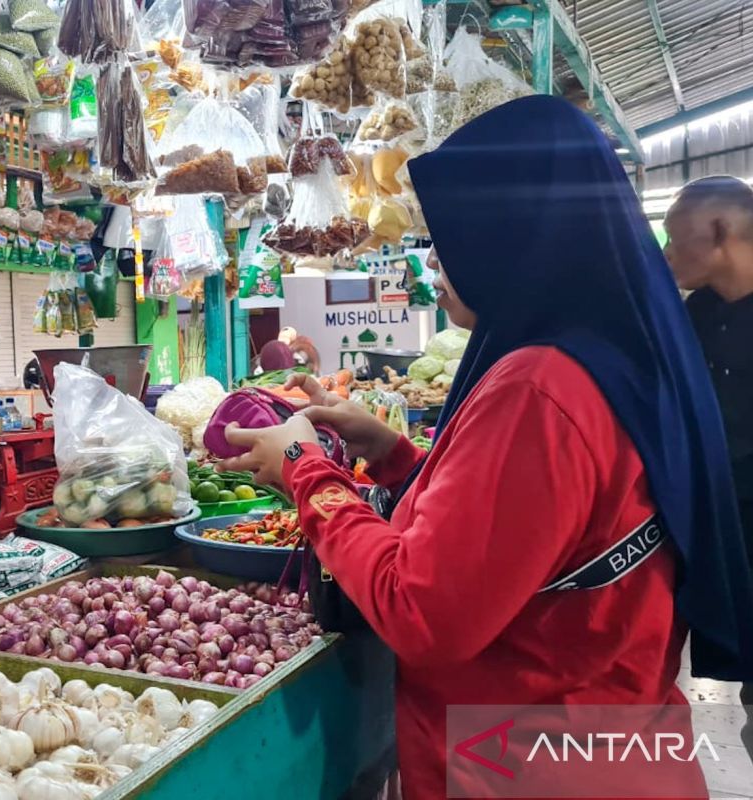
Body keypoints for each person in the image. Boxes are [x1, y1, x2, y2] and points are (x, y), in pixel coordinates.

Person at [219, 97, 753, 798]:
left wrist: (306, 470)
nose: (437, 260)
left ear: (519, 233)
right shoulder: (618, 355)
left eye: (456, 234)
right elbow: (544, 531)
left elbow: (424, 613)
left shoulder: (541, 388)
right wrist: (396, 456)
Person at [663, 175, 753, 758]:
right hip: (728, 532)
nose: (667, 255)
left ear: (720, 231)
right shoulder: (695, 312)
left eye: (675, 240)